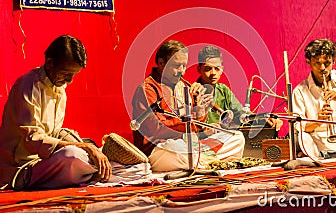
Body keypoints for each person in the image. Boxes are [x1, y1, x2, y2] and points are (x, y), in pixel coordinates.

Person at [0, 35, 112, 190]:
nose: (70, 80)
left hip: (44, 163)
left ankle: (99, 171)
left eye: (74, 75)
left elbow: (54, 132)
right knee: (72, 155)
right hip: (20, 169)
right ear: (50, 63)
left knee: (98, 157)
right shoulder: (28, 86)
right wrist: (81, 146)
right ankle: (91, 174)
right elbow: (32, 140)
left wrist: (89, 146)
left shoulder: (60, 89)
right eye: (66, 74)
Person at [132, 40, 245, 172]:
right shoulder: (148, 89)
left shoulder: (185, 86)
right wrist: (194, 125)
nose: (182, 71)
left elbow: (196, 125)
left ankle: (202, 162)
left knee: (236, 137)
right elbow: (157, 129)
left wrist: (202, 110)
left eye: (184, 66)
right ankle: (209, 162)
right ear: (161, 63)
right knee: (177, 151)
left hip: (188, 145)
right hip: (160, 148)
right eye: (177, 66)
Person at [196, 45, 283, 132]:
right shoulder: (192, 92)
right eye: (208, 69)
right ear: (199, 69)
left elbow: (240, 115)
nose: (213, 73)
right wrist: (206, 129)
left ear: (222, 69)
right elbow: (190, 127)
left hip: (223, 138)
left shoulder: (223, 90)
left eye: (217, 68)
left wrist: (262, 119)